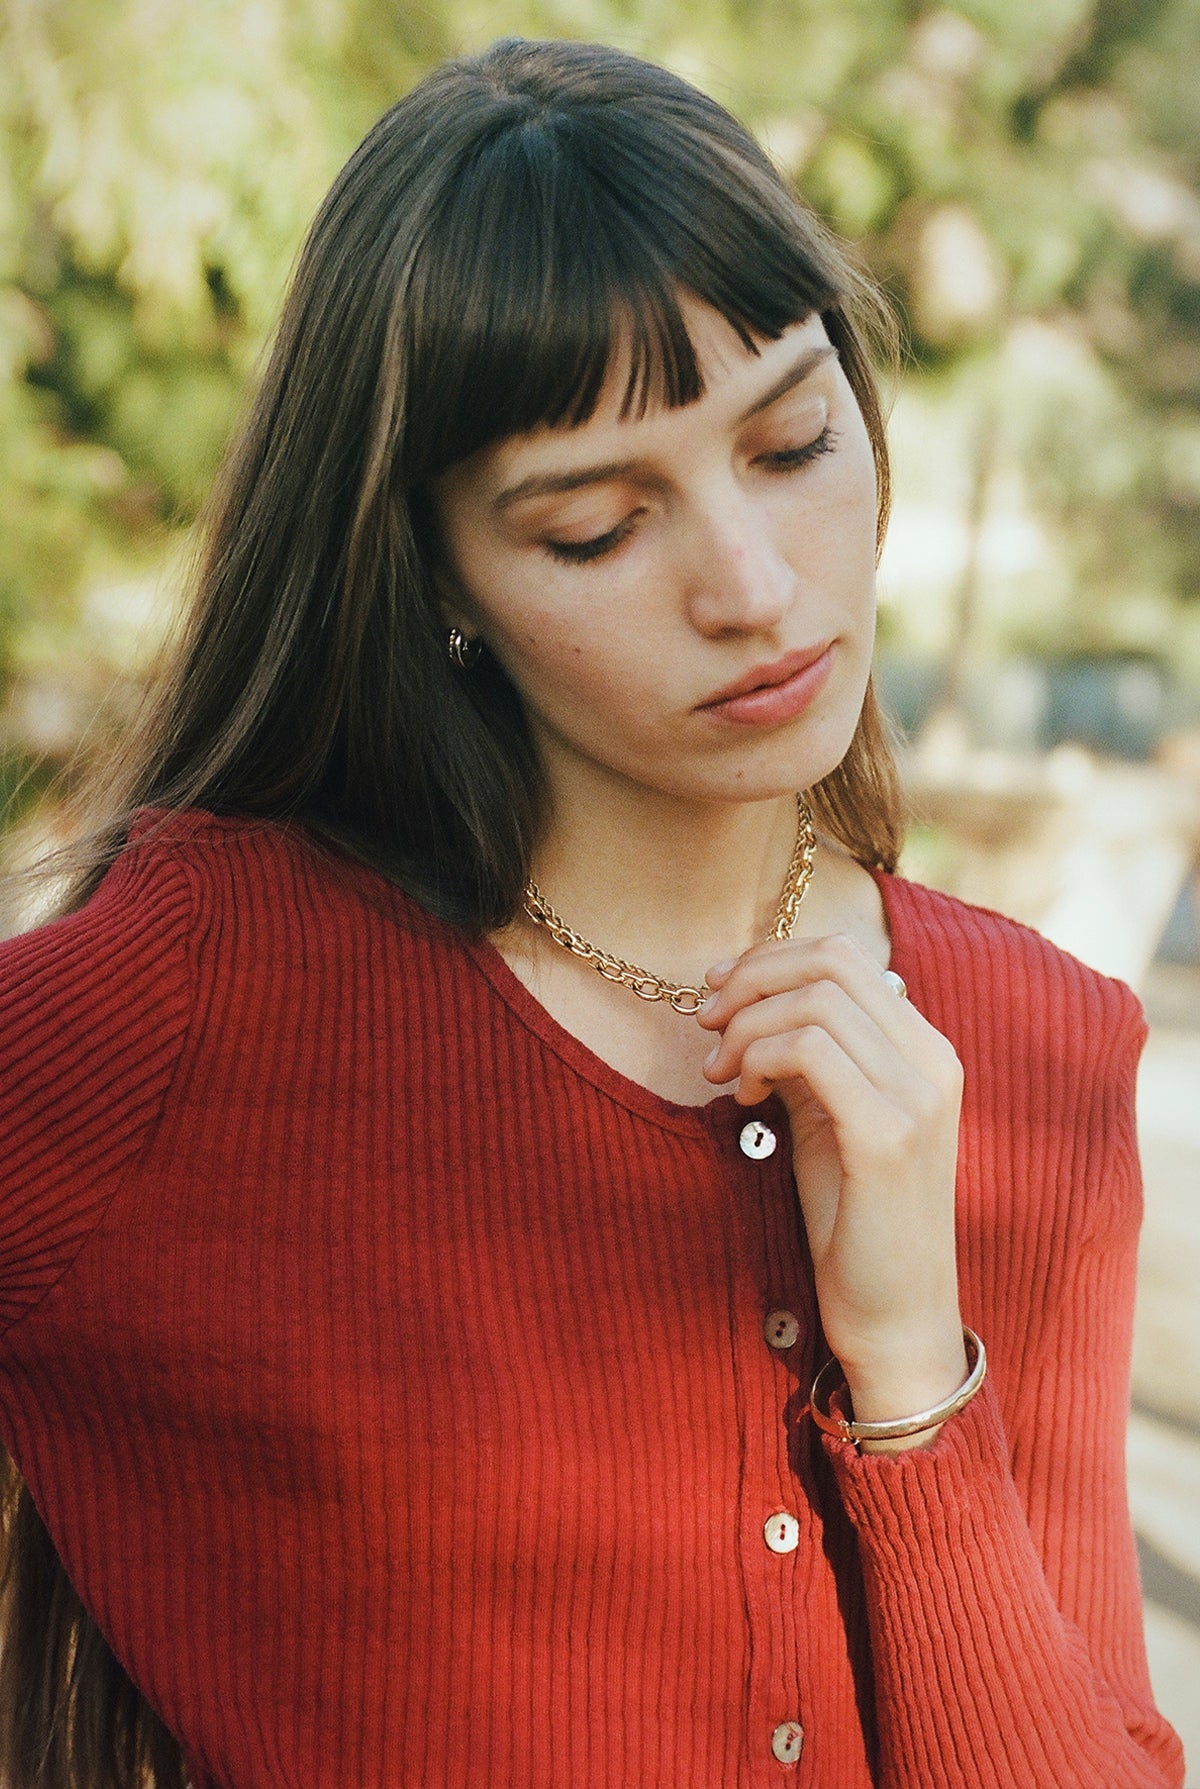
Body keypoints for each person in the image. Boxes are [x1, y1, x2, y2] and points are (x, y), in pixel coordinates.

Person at [0, 35, 1185, 1789]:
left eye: (791, 442)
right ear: (439, 578)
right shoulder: (181, 1011)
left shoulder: (1039, 1043)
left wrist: (915, 1374)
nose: (756, 586)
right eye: (592, 530)